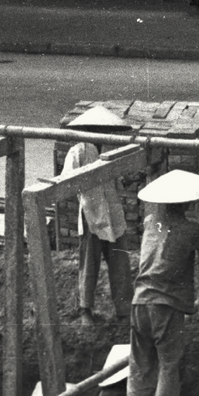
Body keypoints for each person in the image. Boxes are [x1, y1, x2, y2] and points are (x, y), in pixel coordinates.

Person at [127, 169, 199, 396]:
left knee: (140, 359)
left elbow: (164, 229)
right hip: (165, 303)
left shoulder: (151, 223)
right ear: (188, 203)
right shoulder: (191, 229)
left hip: (139, 300)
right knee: (170, 361)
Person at [60, 106, 135, 326]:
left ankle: (124, 310)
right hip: (90, 212)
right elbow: (66, 181)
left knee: (120, 262)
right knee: (89, 263)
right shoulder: (79, 151)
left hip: (112, 212)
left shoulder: (111, 151)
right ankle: (85, 310)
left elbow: (119, 180)